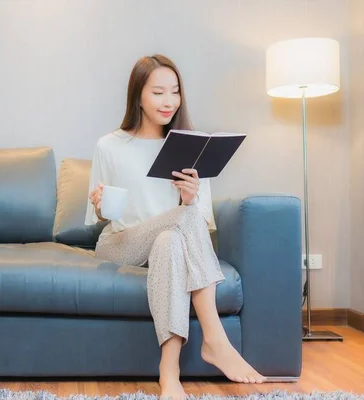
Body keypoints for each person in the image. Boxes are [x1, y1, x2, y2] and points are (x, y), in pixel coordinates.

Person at [84, 54, 266, 400]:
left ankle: (169, 374)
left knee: (170, 240)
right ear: (138, 95)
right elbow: (101, 218)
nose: (169, 101)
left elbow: (199, 220)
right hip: (121, 242)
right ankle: (215, 340)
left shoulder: (191, 146)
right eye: (157, 93)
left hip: (170, 242)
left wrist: (189, 197)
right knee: (181, 223)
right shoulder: (109, 145)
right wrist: (100, 205)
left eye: (175, 92)